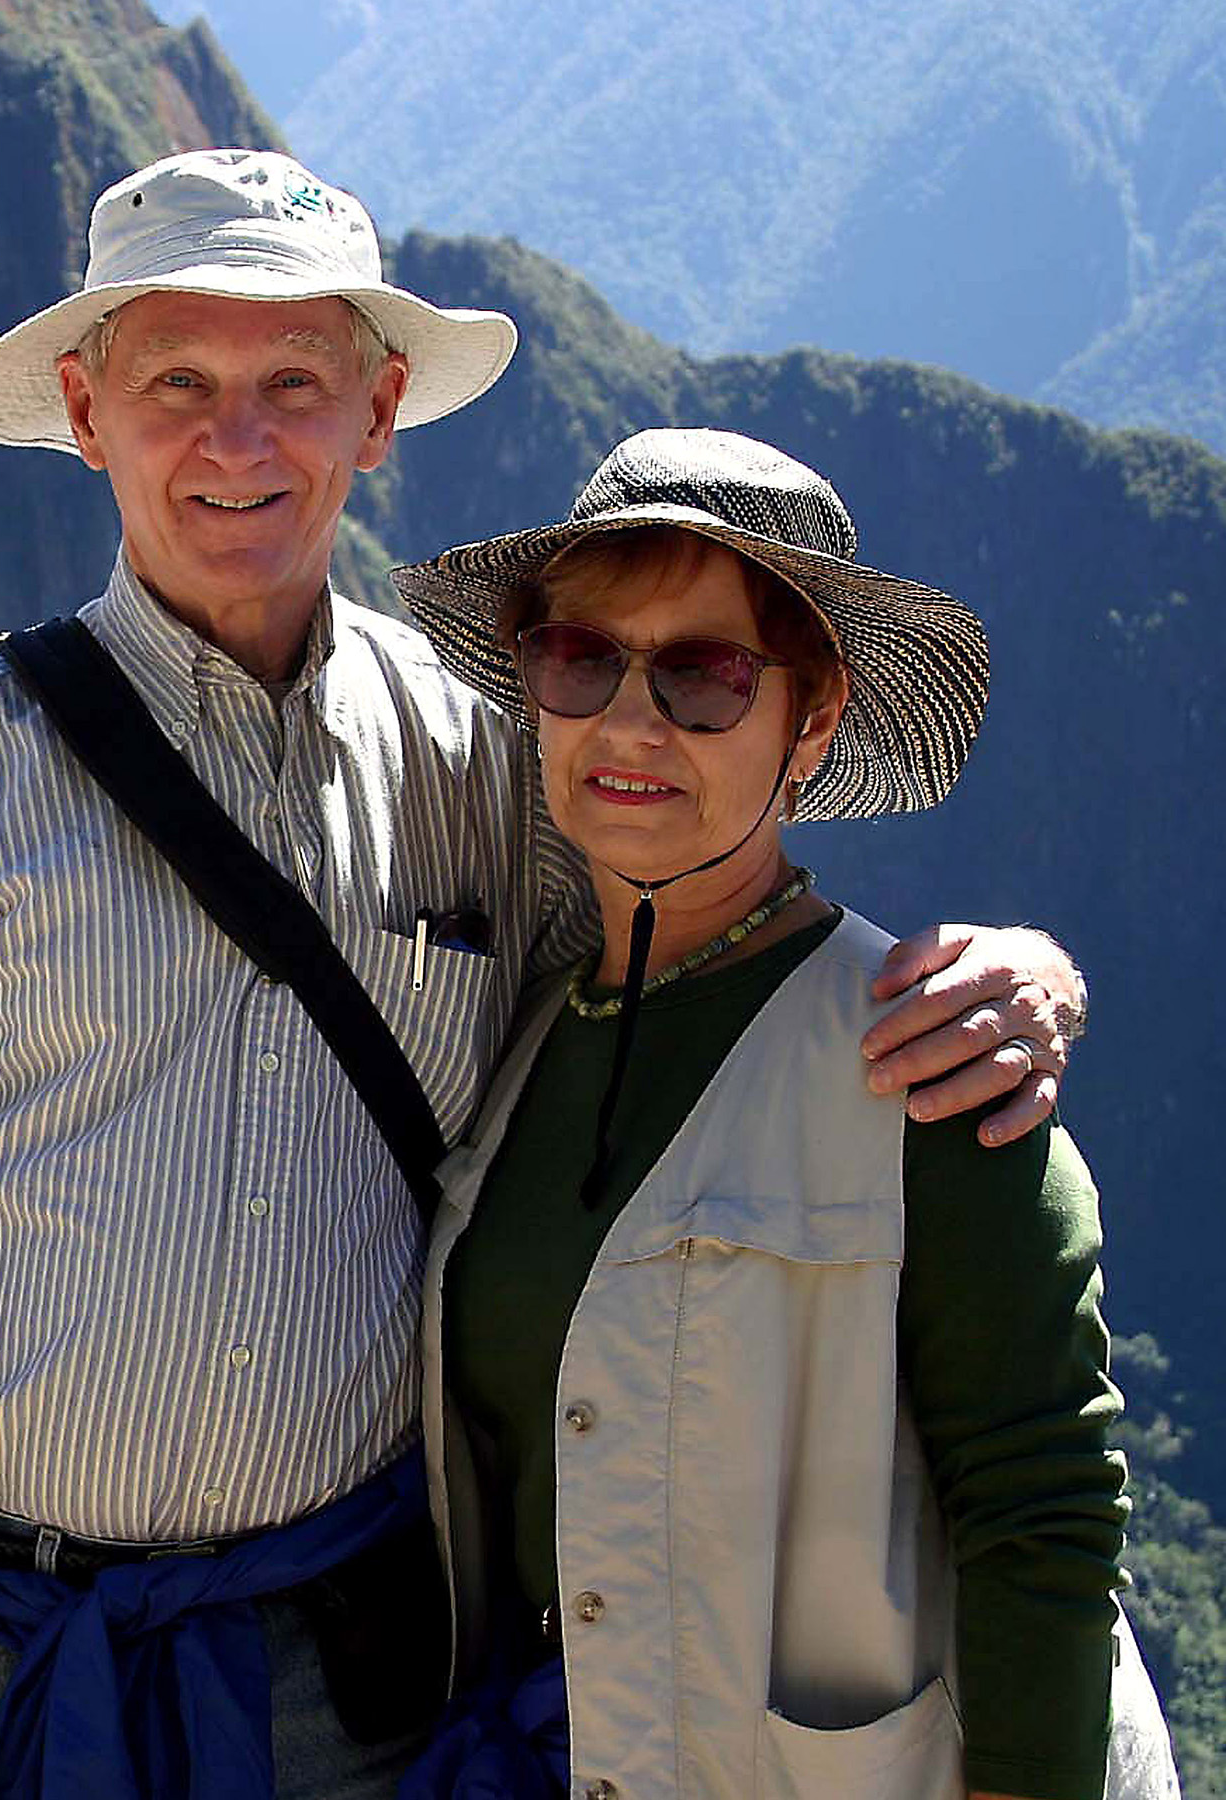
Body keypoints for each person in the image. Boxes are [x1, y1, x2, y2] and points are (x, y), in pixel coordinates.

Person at [0, 150, 1087, 1800]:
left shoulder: (491, 755)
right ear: (83, 405)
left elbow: (704, 954)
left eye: (295, 382)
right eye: (177, 382)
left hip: (345, 1684)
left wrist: (1023, 967)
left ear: (381, 409)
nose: (237, 440)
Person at [392, 428, 1175, 1799]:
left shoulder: (927, 1065)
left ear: (810, 720)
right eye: (581, 660)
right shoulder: (516, 1018)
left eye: (703, 677)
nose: (629, 723)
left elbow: (1042, 1516)